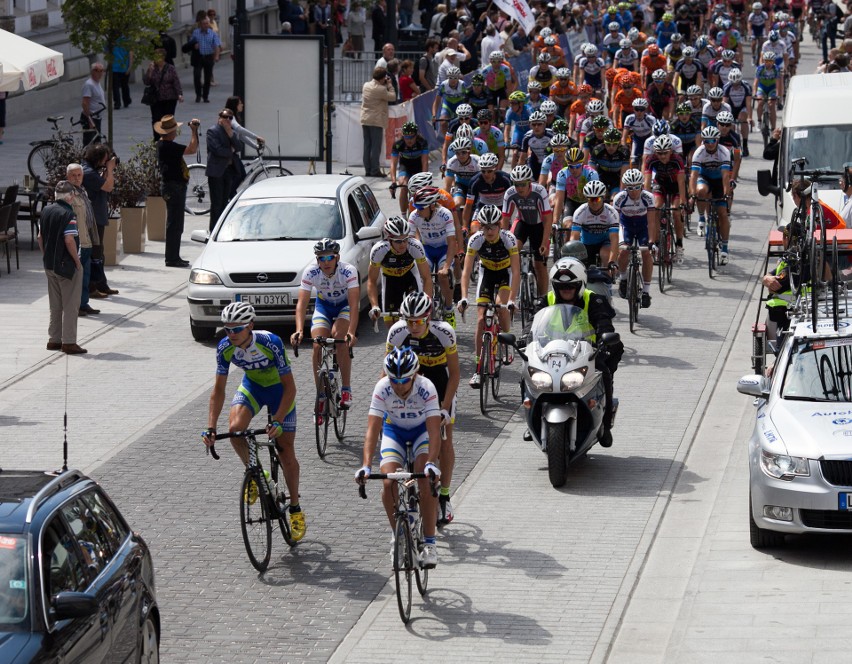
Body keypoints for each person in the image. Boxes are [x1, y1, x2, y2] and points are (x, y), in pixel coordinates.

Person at [202, 302, 306, 541]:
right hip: (254, 388)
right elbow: (218, 391)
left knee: (286, 451)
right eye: (227, 329)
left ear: (250, 325)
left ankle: (295, 508)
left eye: (236, 329)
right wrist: (210, 427)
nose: (231, 334)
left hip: (280, 392)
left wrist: (278, 420)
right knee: (235, 430)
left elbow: (291, 387)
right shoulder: (225, 348)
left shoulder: (271, 342)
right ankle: (256, 473)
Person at [355, 347, 442, 568]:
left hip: (421, 431)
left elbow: (433, 432)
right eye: (394, 380)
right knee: (388, 481)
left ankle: (430, 543)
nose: (399, 385)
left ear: (415, 374)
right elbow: (372, 431)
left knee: (424, 479)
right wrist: (365, 465)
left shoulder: (427, 388)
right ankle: (398, 534)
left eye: (404, 380)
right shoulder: (382, 388)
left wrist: (432, 462)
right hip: (394, 431)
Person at [387, 292, 460, 525]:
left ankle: (445, 497)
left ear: (428, 318)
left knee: (444, 439)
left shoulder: (444, 332)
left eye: (418, 321)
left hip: (440, 382)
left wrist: (445, 409)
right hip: (412, 383)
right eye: (409, 321)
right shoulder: (397, 332)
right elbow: (386, 372)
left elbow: (455, 374)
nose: (414, 326)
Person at [544, 258, 623, 446]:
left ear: (580, 284)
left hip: (586, 356)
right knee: (527, 374)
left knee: (604, 373)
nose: (567, 290)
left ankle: (605, 425)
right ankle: (531, 415)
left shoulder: (594, 300)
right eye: (562, 287)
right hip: (553, 356)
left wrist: (605, 333)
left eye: (572, 286)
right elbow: (533, 323)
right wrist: (525, 337)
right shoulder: (546, 300)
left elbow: (604, 321)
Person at [291, 238, 359, 414]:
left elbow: (353, 305)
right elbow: (301, 304)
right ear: (317, 260)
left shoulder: (348, 271)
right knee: (316, 344)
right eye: (322, 258)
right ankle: (320, 394)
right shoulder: (311, 272)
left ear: (337, 257)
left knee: (339, 338)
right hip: (324, 307)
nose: (326, 262)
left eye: (329, 257)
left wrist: (351, 332)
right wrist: (298, 330)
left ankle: (346, 389)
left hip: (344, 306)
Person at [458, 205, 520, 387]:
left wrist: (512, 300)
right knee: (480, 319)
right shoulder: (475, 240)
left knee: (501, 308)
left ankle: (506, 341)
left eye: (493, 226)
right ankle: (479, 368)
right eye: (485, 227)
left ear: (500, 226)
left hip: (505, 273)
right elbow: (466, 271)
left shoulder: (509, 239)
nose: (489, 231)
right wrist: (463, 297)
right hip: (487, 273)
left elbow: (516, 272)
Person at [39, 181, 85, 355]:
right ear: (70, 196)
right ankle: (69, 342)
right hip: (66, 266)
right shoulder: (68, 214)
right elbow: (69, 240)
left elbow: (39, 237)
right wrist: (77, 262)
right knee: (71, 304)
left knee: (55, 304)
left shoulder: (46, 211)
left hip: (49, 264)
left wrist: (46, 255)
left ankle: (54, 339)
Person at [368, 216, 433, 328]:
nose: (403, 244)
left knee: (418, 316)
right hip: (390, 279)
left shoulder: (415, 246)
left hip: (410, 276)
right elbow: (371, 281)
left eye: (405, 239)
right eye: (398, 241)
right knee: (390, 324)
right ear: (389, 240)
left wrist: (427, 305)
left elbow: (427, 278)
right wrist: (374, 306)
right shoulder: (379, 250)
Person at [408, 186, 458, 326]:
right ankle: (424, 309)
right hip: (427, 249)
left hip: (444, 249)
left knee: (442, 276)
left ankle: (448, 309)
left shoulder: (445, 214)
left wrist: (447, 266)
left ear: (431, 206)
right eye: (416, 207)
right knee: (424, 276)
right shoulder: (415, 216)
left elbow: (452, 242)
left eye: (421, 208)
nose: (417, 211)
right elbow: (410, 242)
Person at [156, 114, 200, 267]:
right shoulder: (169, 146)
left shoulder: (162, 144)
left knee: (175, 223)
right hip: (174, 187)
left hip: (172, 187)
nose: (176, 132)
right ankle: (172, 258)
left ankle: (173, 256)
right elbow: (192, 149)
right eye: (175, 130)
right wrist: (194, 131)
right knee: (175, 224)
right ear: (170, 133)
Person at [690, 126, 733, 263]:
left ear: (717, 140)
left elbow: (726, 176)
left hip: (720, 180)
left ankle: (725, 248)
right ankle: (702, 217)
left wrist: (726, 195)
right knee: (700, 191)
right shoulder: (699, 152)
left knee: (722, 213)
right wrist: (692, 195)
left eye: (712, 140)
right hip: (706, 178)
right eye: (706, 141)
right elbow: (693, 176)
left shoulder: (724, 152)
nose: (709, 143)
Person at [81, 143, 118, 298]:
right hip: (93, 219)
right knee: (94, 254)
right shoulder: (88, 172)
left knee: (99, 252)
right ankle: (91, 287)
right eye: (105, 159)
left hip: (97, 217)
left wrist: (106, 170)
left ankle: (101, 284)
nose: (106, 161)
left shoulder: (91, 170)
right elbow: (109, 187)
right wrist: (109, 169)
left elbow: (102, 185)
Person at [613, 169, 654, 308]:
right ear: (626, 187)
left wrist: (652, 241)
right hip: (626, 226)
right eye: (630, 188)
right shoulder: (619, 198)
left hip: (643, 226)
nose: (634, 191)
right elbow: (615, 222)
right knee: (624, 251)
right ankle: (623, 278)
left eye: (637, 187)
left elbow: (652, 221)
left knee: (646, 253)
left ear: (642, 185)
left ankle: (646, 292)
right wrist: (617, 243)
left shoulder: (648, 197)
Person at [65, 164, 100, 317]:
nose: (77, 178)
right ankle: (75, 306)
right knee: (76, 278)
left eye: (79, 175)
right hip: (76, 241)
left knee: (85, 277)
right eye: (73, 175)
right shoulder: (67, 194)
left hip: (87, 240)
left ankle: (84, 304)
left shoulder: (83, 192)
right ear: (68, 177)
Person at [206, 108, 244, 232]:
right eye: (225, 117)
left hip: (228, 171)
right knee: (216, 203)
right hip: (216, 172)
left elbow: (239, 147)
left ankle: (222, 229)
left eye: (230, 117)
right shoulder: (212, 131)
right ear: (219, 118)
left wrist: (231, 135)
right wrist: (230, 151)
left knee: (224, 202)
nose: (228, 120)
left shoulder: (231, 132)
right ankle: (213, 231)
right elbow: (216, 150)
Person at [569, 179, 620, 268]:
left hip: (605, 242)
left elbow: (614, 239)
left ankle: (607, 281)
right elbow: (574, 237)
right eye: (591, 199)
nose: (594, 202)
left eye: (597, 198)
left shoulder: (611, 212)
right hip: (586, 244)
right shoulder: (580, 211)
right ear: (586, 198)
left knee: (606, 256)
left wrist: (612, 262)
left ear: (603, 197)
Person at [360, 67, 396, 178]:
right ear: (382, 78)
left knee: (367, 146)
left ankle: (368, 169)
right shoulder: (381, 89)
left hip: (365, 119)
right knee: (376, 147)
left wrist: (383, 84)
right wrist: (389, 85)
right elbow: (393, 97)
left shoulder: (366, 85)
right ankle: (375, 170)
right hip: (376, 120)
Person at [143, 48, 184, 141]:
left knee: (168, 120)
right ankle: (157, 139)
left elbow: (176, 82)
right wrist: (149, 71)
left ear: (163, 57)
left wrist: (179, 94)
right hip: (156, 98)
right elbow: (146, 82)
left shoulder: (170, 68)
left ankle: (168, 138)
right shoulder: (152, 68)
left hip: (170, 98)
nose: (156, 59)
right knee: (156, 119)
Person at [190, 16, 221, 103]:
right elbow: (190, 44)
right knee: (197, 76)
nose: (205, 25)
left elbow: (217, 45)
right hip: (198, 57)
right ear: (200, 24)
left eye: (207, 23)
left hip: (208, 57)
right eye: (204, 23)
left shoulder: (212, 33)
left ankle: (205, 96)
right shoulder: (196, 32)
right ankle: (198, 95)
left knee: (207, 78)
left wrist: (217, 56)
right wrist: (193, 46)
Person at [80, 62, 106, 146]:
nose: (101, 73)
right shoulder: (89, 84)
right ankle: (85, 158)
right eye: (98, 70)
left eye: (102, 70)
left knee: (97, 142)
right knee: (89, 143)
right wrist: (90, 119)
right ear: (93, 72)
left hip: (97, 117)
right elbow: (85, 103)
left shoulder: (97, 83)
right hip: (90, 118)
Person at [110, 38, 133, 110]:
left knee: (115, 87)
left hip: (115, 68)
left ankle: (117, 103)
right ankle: (126, 101)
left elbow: (107, 53)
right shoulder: (126, 40)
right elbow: (131, 54)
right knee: (125, 85)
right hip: (124, 67)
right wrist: (129, 67)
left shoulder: (111, 41)